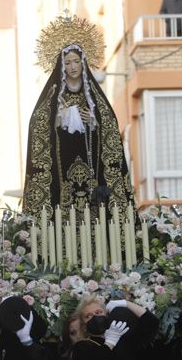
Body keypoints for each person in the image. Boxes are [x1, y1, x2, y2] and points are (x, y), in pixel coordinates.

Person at [23, 15, 132, 215]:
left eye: (76, 61)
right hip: (61, 174)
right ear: (61, 66)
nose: (72, 66)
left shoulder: (94, 97)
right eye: (68, 63)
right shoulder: (53, 96)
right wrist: (57, 120)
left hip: (92, 178)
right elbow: (38, 126)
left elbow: (110, 129)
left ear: (83, 64)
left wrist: (94, 122)